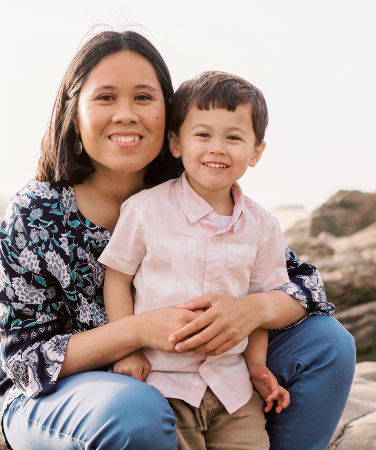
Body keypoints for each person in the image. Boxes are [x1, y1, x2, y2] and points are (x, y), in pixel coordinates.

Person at [0, 30, 355, 450]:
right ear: (73, 113)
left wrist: (250, 310)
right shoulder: (35, 214)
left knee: (328, 345)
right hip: (65, 396)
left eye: (144, 97)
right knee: (136, 413)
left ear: (170, 113)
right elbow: (24, 362)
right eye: (106, 97)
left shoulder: (196, 189)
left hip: (199, 379)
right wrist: (137, 332)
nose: (126, 114)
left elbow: (304, 286)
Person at [100, 70, 291, 450]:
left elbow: (259, 304)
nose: (217, 148)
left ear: (255, 152)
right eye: (202, 135)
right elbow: (117, 279)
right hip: (163, 384)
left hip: (233, 390)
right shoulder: (144, 210)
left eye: (233, 137)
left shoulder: (263, 226)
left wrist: (257, 367)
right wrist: (128, 348)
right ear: (176, 144)